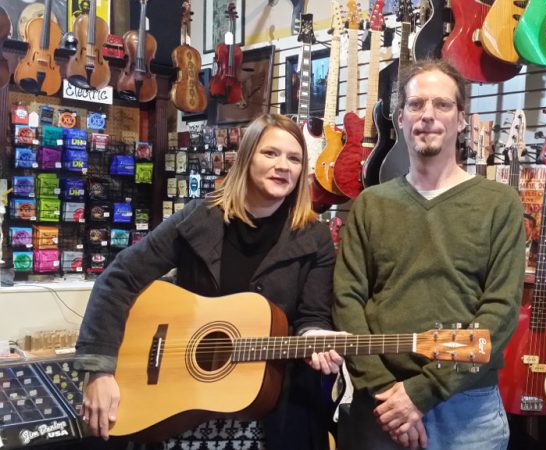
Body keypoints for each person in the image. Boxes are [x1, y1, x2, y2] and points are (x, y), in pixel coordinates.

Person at [75, 114, 344, 450]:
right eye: (270, 153)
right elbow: (120, 278)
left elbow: (313, 315)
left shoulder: (315, 237)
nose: (283, 166)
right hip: (180, 403)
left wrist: (315, 335)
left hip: (273, 414)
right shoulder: (199, 218)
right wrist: (99, 370)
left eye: (294, 158)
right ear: (246, 158)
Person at [332, 59, 526, 450]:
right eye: (417, 105)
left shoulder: (499, 203)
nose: (428, 116)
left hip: (467, 409)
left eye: (442, 105)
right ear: (400, 118)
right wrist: (389, 393)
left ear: (461, 120)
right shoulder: (371, 204)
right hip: (380, 404)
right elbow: (347, 301)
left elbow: (500, 312)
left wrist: (421, 393)